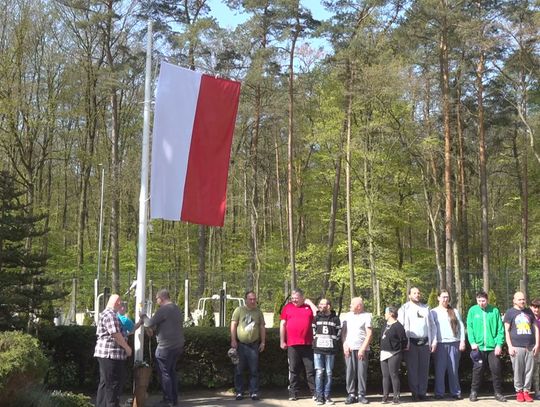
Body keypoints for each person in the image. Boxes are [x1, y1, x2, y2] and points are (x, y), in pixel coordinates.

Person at [142, 289, 184, 407]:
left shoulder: (164, 309)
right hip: (178, 346)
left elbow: (149, 323)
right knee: (171, 372)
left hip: (165, 347)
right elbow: (167, 325)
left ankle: (168, 400)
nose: (156, 301)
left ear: (161, 298)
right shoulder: (176, 309)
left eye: (157, 298)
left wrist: (143, 316)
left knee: (164, 373)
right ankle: (174, 400)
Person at [397, 287, 437, 401]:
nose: (417, 295)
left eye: (419, 293)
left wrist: (433, 341)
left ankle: (422, 393)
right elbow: (400, 327)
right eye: (414, 293)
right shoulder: (404, 308)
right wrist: (405, 342)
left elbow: (433, 326)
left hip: (425, 343)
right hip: (411, 343)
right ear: (409, 295)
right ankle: (414, 393)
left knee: (424, 369)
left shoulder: (426, 308)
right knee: (412, 369)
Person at [467, 290, 506, 402]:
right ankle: (473, 392)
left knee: (496, 369)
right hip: (478, 347)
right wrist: (472, 342)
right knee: (477, 370)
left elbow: (500, 329)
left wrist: (499, 344)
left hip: (492, 348)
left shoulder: (494, 311)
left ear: (487, 300)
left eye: (483, 301)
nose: (481, 303)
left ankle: (498, 393)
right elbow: (469, 328)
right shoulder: (472, 311)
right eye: (479, 301)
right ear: (476, 300)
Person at [94, 294, 133, 407]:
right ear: (117, 303)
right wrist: (127, 348)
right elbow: (115, 334)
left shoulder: (108, 314)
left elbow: (121, 332)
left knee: (105, 383)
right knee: (113, 384)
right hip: (110, 354)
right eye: (120, 303)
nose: (121, 306)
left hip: (106, 354)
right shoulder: (110, 315)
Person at [280, 288, 317, 401]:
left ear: (302, 297)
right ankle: (293, 393)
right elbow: (283, 324)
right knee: (293, 370)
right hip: (292, 344)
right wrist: (282, 340)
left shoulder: (308, 307)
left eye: (296, 298)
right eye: (292, 298)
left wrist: (310, 303)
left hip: (307, 344)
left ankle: (315, 392)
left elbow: (317, 315)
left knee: (310, 369)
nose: (294, 300)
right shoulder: (287, 307)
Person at [230, 290, 266, 401]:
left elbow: (262, 327)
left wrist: (263, 342)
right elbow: (233, 325)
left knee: (254, 370)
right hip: (241, 345)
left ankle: (254, 392)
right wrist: (233, 340)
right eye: (250, 299)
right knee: (239, 370)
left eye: (254, 299)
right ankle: (239, 392)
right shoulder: (239, 310)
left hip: (254, 346)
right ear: (246, 300)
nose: (252, 301)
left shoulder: (258, 312)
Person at [504, 291, 540, 402]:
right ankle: (519, 392)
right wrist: (510, 346)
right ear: (514, 300)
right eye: (519, 299)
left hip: (530, 347)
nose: (522, 301)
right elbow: (507, 331)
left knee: (529, 371)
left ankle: (526, 392)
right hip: (516, 347)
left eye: (523, 299)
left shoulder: (529, 312)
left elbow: (536, 329)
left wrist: (537, 344)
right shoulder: (510, 312)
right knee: (518, 371)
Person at [430, 290, 465, 400]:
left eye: (447, 297)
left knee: (453, 369)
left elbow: (461, 326)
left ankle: (455, 392)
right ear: (438, 298)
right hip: (440, 344)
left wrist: (462, 341)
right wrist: (433, 342)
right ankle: (439, 393)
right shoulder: (433, 312)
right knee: (439, 370)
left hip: (454, 343)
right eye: (443, 297)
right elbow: (431, 329)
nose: (445, 299)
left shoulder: (454, 311)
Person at [342, 297, 373, 405]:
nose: (350, 306)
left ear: (359, 306)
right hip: (349, 349)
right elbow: (344, 332)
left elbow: (369, 334)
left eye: (352, 304)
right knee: (349, 372)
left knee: (361, 373)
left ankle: (361, 394)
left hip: (362, 349)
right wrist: (344, 344)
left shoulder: (367, 316)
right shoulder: (347, 316)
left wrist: (363, 349)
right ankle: (351, 394)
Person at [312, 298, 341, 405]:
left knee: (329, 373)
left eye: (323, 304)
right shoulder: (316, 318)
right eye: (319, 304)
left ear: (328, 306)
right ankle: (319, 397)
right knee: (319, 373)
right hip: (318, 350)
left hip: (330, 350)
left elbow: (338, 333)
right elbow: (313, 332)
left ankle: (327, 396)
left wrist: (331, 342)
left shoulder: (335, 319)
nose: (320, 306)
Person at [380, 306, 408, 404]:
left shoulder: (398, 326)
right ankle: (385, 396)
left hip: (394, 353)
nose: (385, 314)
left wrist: (398, 349)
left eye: (386, 312)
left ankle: (396, 396)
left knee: (394, 374)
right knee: (385, 375)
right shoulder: (385, 324)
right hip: (384, 352)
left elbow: (404, 340)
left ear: (391, 314)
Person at [530, 298, 540, 400]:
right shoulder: (527, 318)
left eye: (538, 308)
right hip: (533, 350)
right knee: (535, 373)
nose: (536, 310)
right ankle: (537, 392)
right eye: (534, 307)